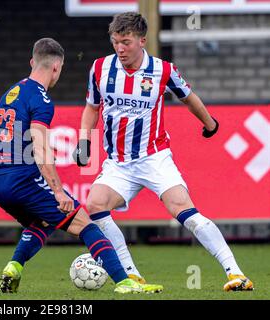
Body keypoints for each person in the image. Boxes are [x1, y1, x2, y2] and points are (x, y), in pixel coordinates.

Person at [73, 12, 253, 292]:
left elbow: (188, 97)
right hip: (118, 163)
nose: (120, 48)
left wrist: (209, 123)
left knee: (183, 209)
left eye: (126, 42)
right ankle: (131, 275)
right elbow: (91, 108)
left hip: (154, 157)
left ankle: (235, 273)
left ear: (142, 41)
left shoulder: (162, 70)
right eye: (115, 42)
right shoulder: (99, 68)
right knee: (95, 205)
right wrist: (84, 141)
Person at [0, 37, 163, 294]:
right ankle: (124, 283)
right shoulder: (41, 99)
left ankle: (14, 267)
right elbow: (41, 148)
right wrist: (57, 190)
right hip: (24, 180)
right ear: (57, 67)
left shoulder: (11, 93)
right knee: (86, 224)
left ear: (33, 61)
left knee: (44, 222)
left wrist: (15, 150)